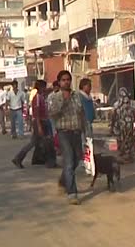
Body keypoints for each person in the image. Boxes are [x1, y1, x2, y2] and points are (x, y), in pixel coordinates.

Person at [46, 70, 86, 205]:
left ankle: (64, 180)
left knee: (76, 160)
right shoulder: (54, 97)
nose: (66, 82)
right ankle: (72, 193)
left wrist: (85, 131)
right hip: (63, 132)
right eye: (63, 80)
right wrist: (63, 99)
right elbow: (52, 112)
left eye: (68, 79)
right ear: (59, 82)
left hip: (76, 131)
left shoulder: (77, 96)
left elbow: (81, 113)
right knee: (68, 161)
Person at [13, 80, 55, 169]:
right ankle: (19, 158)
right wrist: (39, 126)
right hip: (39, 122)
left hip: (43, 121)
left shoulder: (42, 97)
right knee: (44, 142)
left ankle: (25, 158)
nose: (45, 88)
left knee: (37, 142)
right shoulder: (37, 98)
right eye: (44, 87)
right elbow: (36, 113)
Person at [109, 88, 135, 163]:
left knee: (122, 141)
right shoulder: (131, 104)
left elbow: (112, 117)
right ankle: (127, 156)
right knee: (128, 141)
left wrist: (111, 127)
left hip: (121, 127)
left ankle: (123, 156)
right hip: (127, 127)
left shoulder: (117, 104)